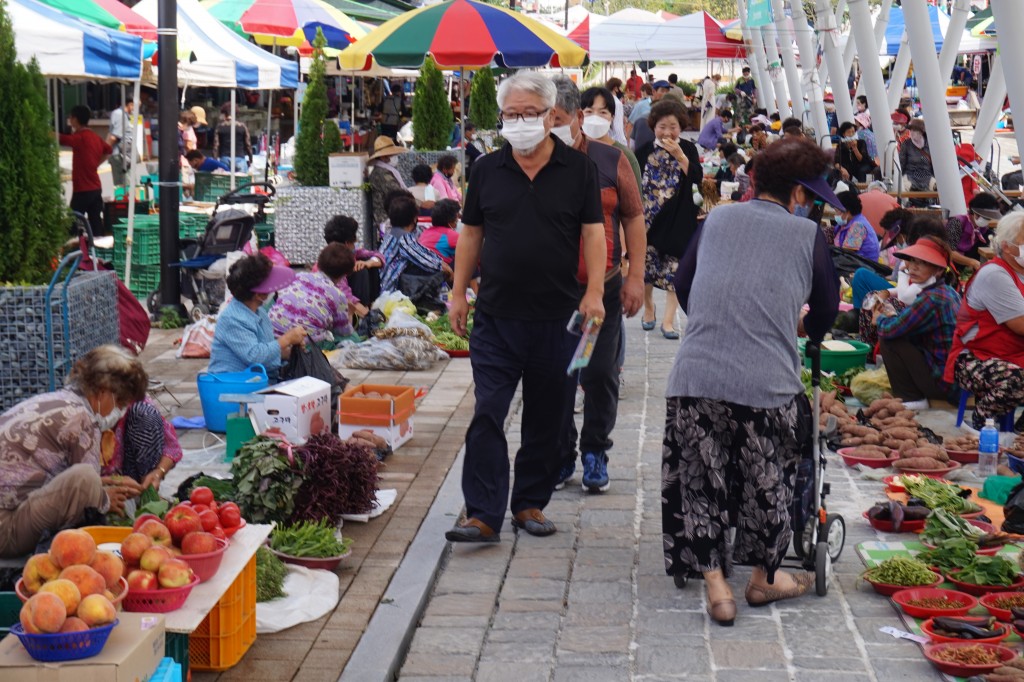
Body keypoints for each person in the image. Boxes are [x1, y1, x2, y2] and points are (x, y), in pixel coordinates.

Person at [664, 136, 841, 626]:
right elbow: (825, 309)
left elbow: (683, 283)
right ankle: (763, 579)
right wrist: (802, 329)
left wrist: (716, 323)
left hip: (695, 375)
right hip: (768, 384)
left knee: (699, 481)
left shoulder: (718, 218)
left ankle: (718, 589)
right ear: (800, 195)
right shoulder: (808, 238)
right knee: (769, 480)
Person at [445, 72, 606, 543]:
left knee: (548, 415)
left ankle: (530, 503)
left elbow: (594, 233)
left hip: (559, 320)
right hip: (496, 318)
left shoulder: (578, 171)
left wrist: (594, 291)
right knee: (488, 412)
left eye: (528, 114)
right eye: (511, 114)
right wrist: (458, 292)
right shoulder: (488, 170)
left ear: (550, 115)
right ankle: (483, 513)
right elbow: (471, 233)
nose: (519, 122)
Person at [549, 75, 645, 494]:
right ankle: (559, 451)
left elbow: (634, 217)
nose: (543, 123)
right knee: (555, 375)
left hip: (602, 286)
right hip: (549, 291)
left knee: (600, 372)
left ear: (575, 115)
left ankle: (594, 451)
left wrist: (636, 276)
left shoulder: (610, 159)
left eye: (553, 116)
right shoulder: (528, 160)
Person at [0, 345, 151, 557]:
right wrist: (106, 499)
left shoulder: (55, 401)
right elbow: (85, 485)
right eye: (121, 402)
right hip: (6, 529)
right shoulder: (82, 417)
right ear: (103, 394)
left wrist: (112, 482)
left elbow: (55, 475)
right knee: (86, 479)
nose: (120, 410)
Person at [945, 213, 1024, 429]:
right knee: (1017, 380)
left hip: (1012, 353)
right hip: (973, 358)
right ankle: (981, 422)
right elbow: (1020, 324)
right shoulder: (995, 275)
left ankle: (1018, 432)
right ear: (1007, 247)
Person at [635, 99, 702, 340]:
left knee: (676, 271)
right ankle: (649, 308)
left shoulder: (688, 149)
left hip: (679, 220)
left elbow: (697, 177)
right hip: (648, 221)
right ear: (654, 126)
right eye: (662, 126)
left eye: (672, 126)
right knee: (647, 269)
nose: (667, 132)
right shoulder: (643, 150)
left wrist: (680, 156)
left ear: (681, 127)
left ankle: (668, 321)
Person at [872, 236, 960, 408]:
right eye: (912, 261)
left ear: (938, 270)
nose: (914, 267)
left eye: (923, 263)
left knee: (889, 339)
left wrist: (880, 318)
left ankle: (912, 399)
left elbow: (890, 330)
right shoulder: (947, 291)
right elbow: (907, 323)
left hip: (944, 383)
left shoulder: (932, 299)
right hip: (954, 377)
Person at [208, 254, 306, 382]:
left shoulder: (260, 312)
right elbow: (255, 356)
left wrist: (288, 353)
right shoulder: (232, 319)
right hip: (234, 384)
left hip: (259, 379)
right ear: (259, 294)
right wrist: (287, 339)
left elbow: (265, 350)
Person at [269, 244, 357, 350]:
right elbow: (343, 332)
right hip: (303, 345)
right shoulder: (338, 296)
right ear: (344, 275)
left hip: (273, 336)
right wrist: (350, 314)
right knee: (353, 339)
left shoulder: (299, 276)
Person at [379, 195, 450, 295]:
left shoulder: (392, 235)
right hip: (391, 294)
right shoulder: (402, 238)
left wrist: (441, 263)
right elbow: (426, 261)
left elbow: (422, 251)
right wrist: (447, 269)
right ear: (414, 218)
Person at [59, 105, 111, 237]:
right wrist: (96, 163)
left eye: (70, 117)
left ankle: (73, 248)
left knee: (72, 221)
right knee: (95, 222)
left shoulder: (80, 137)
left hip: (82, 189)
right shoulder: (94, 137)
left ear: (76, 119)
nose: (69, 120)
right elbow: (108, 150)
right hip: (95, 187)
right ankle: (99, 252)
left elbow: (61, 138)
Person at [323, 214, 384, 319]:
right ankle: (363, 316)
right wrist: (370, 317)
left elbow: (379, 256)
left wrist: (369, 263)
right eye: (354, 239)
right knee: (361, 271)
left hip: (348, 302)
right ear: (347, 243)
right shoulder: (334, 265)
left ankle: (370, 306)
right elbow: (347, 298)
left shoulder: (350, 254)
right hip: (337, 311)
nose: (356, 242)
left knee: (365, 263)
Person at [580, 86, 643, 187]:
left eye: (603, 112)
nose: (595, 118)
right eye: (589, 112)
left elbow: (635, 200)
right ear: (579, 116)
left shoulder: (625, 155)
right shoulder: (572, 150)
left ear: (612, 118)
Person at [946, 193, 1003, 271]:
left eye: (988, 218)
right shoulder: (957, 222)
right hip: (951, 263)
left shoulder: (983, 229)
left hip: (968, 259)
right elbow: (949, 252)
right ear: (974, 212)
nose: (986, 220)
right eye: (985, 217)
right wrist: (971, 262)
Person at [366, 136, 408, 229]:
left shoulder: (383, 170)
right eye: (392, 155)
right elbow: (398, 193)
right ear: (384, 157)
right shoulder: (382, 173)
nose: (394, 157)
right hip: (386, 218)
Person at [833, 190, 880, 262]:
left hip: (864, 267)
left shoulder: (858, 226)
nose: (835, 215)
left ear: (847, 211)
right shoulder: (846, 224)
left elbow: (846, 255)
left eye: (837, 211)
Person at [213, 103, 252, 173]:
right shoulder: (242, 126)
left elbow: (216, 146)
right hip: (240, 159)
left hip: (225, 159)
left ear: (224, 114)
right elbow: (248, 145)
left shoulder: (219, 127)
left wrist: (215, 160)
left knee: (225, 182)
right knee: (242, 182)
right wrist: (250, 159)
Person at [899, 119, 935, 195]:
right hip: (910, 175)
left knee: (936, 186)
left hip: (927, 176)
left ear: (921, 132)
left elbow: (935, 165)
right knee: (904, 187)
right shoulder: (906, 145)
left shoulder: (930, 144)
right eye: (910, 130)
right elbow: (901, 164)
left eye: (914, 130)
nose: (911, 132)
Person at [107, 99, 135, 187]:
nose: (135, 109)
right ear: (130, 104)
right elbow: (113, 136)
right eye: (135, 106)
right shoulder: (120, 114)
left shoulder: (125, 115)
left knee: (128, 185)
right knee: (123, 187)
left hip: (125, 156)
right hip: (120, 156)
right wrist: (103, 152)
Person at [604, 77, 628, 146]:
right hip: (615, 142)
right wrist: (623, 143)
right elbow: (618, 127)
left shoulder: (605, 100)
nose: (622, 90)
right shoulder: (617, 103)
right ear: (615, 88)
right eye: (621, 87)